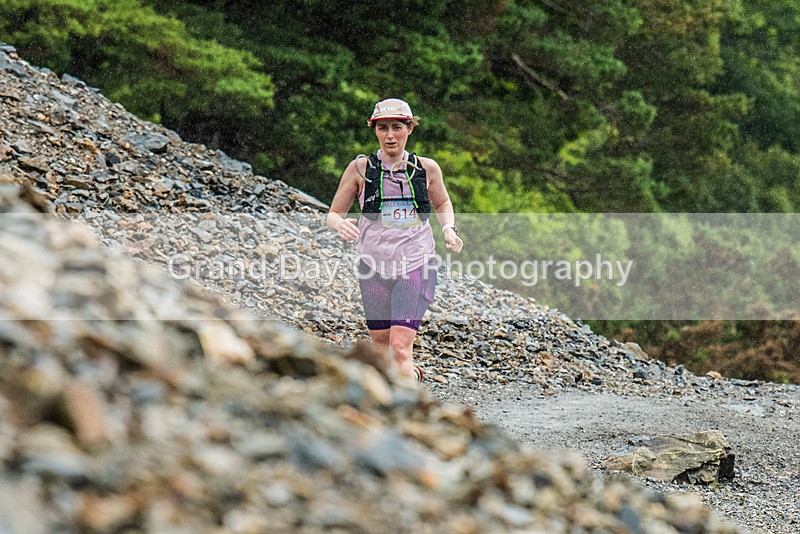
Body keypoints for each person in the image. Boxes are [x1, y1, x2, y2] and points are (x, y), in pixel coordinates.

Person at [327, 98, 463, 381]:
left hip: (416, 264)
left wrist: (449, 229)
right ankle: (408, 379)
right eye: (383, 128)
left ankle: (408, 402)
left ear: (409, 129)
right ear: (375, 130)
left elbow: (442, 203)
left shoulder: (426, 168)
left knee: (400, 348)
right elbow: (333, 214)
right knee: (381, 349)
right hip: (373, 266)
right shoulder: (360, 169)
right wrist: (340, 225)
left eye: (397, 127)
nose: (390, 135)